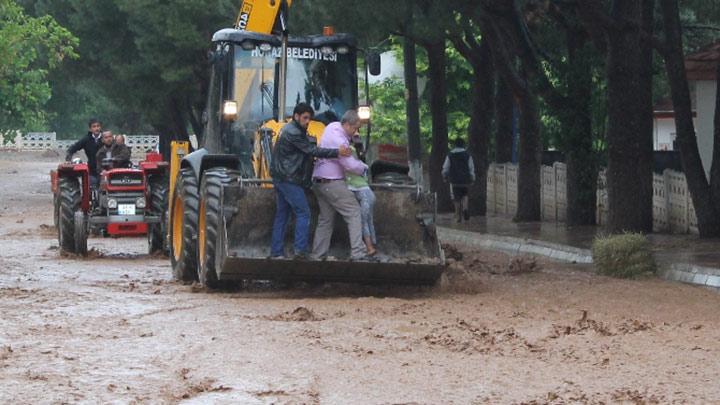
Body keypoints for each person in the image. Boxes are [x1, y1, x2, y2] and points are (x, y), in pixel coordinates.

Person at [269, 103, 351, 259]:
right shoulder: (293, 133)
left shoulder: (291, 130)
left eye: (309, 118)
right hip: (289, 178)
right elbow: (311, 151)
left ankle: (276, 251)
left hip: (281, 177)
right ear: (296, 116)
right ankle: (300, 250)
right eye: (305, 118)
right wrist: (337, 152)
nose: (308, 121)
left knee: (282, 214)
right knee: (304, 212)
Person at [310, 110, 371, 261]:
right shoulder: (341, 142)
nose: (356, 131)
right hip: (332, 182)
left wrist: (353, 137)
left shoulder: (331, 127)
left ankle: (318, 255)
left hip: (318, 181)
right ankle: (358, 252)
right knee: (354, 211)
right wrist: (363, 167)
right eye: (355, 128)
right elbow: (349, 164)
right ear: (347, 124)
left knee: (326, 219)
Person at [346, 138, 377, 256]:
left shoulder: (349, 153)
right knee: (369, 221)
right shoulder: (361, 164)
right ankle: (372, 244)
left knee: (362, 221)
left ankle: (369, 247)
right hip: (368, 194)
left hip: (363, 194)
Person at [442, 138, 475, 223]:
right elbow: (471, 167)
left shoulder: (450, 155)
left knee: (456, 198)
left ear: (454, 145)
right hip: (465, 180)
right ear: (463, 145)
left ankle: (458, 216)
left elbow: (446, 167)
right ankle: (465, 208)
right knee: (465, 195)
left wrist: (444, 176)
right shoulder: (468, 155)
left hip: (454, 180)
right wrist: (472, 177)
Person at [66, 118, 103, 185]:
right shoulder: (86, 139)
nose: (96, 128)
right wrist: (69, 155)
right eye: (94, 126)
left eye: (98, 126)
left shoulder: (106, 138)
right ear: (90, 129)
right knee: (89, 184)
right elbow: (74, 147)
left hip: (105, 169)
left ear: (101, 127)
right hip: (92, 170)